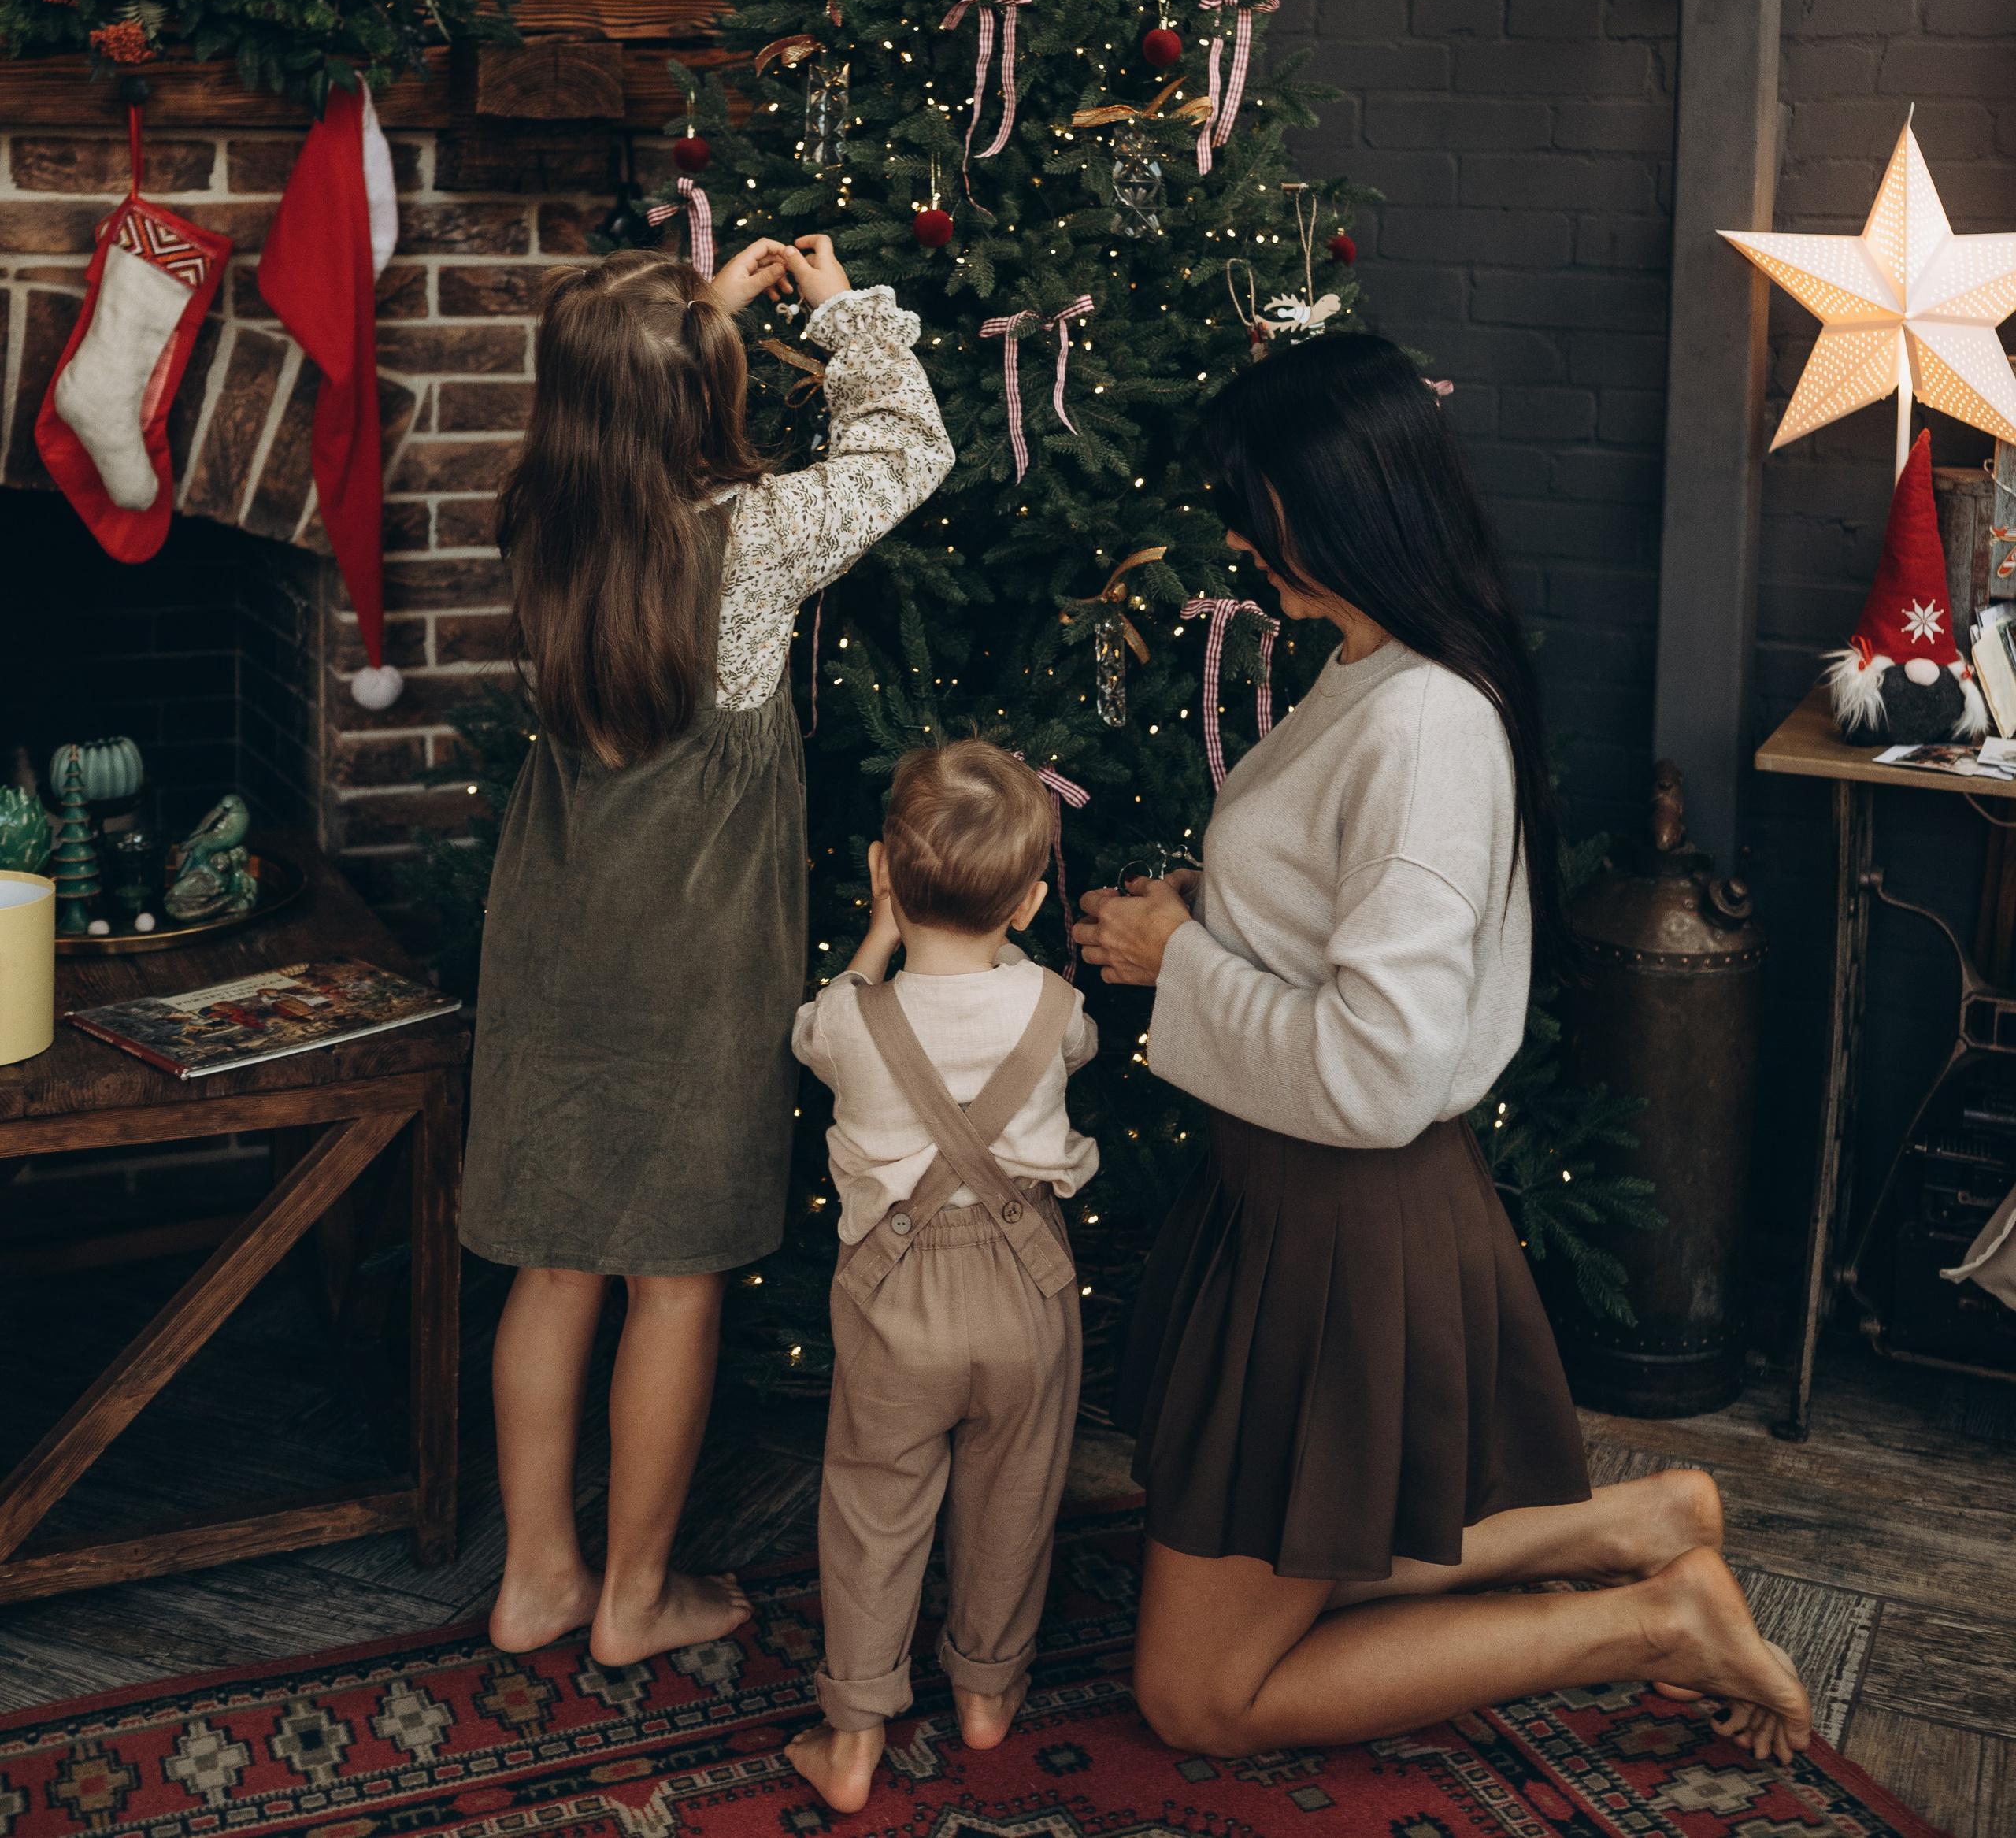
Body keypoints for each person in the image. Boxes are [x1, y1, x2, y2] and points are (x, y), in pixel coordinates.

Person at [1073, 333, 1810, 1766]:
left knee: (1201, 1696)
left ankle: (1655, 1619)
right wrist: (1208, 907)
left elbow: (1385, 1065)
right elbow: (1346, 908)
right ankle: (1634, 1524)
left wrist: (1184, 965)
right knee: (1296, 1547)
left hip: (1342, 1216)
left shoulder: (1421, 724)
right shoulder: (1374, 662)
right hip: (1292, 1198)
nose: (1234, 537)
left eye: (1259, 508)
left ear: (1347, 505)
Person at [461, 237, 953, 1666]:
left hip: (555, 927)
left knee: (553, 1264)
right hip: (692, 937)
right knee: (672, 1275)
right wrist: (839, 306)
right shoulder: (757, 534)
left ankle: (536, 1578)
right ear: (700, 398)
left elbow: (612, 414)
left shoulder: (537, 515)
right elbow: (906, 447)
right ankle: (633, 1599)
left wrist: (689, 320)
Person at [784, 739, 1099, 1814]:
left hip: (893, 1303)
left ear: (883, 870)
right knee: (1015, 1497)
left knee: (875, 1505)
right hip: (1028, 1296)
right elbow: (1074, 1037)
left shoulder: (846, 1021)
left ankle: (855, 1735)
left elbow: (814, 1031)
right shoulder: (1052, 1005)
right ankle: (985, 1696)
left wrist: (879, 934)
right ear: (1022, 899)